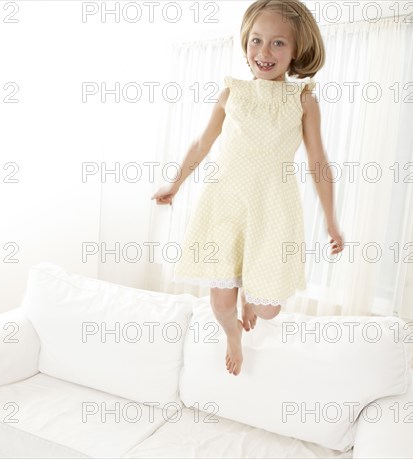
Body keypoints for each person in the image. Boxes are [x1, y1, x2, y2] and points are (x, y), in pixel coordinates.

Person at [151, 0, 344, 376]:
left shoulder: (303, 100)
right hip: (227, 205)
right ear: (245, 44)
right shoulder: (231, 93)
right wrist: (174, 183)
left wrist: (332, 222)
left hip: (273, 210)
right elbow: (201, 144)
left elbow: (318, 163)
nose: (264, 52)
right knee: (220, 301)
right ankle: (233, 334)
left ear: (297, 51)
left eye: (278, 44)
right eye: (256, 40)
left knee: (268, 307)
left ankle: (252, 303)